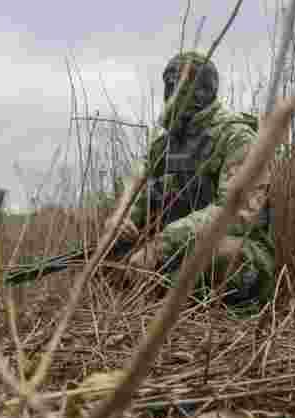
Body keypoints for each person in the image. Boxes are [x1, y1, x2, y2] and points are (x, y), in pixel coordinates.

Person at [104, 51, 274, 307]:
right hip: (174, 249)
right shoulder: (167, 144)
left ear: (202, 91)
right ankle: (157, 290)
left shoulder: (237, 137)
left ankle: (166, 293)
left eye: (179, 86)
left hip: (232, 248)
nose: (171, 95)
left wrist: (161, 246)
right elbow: (140, 183)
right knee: (109, 250)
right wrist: (121, 219)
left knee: (220, 256)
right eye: (169, 86)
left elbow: (235, 214)